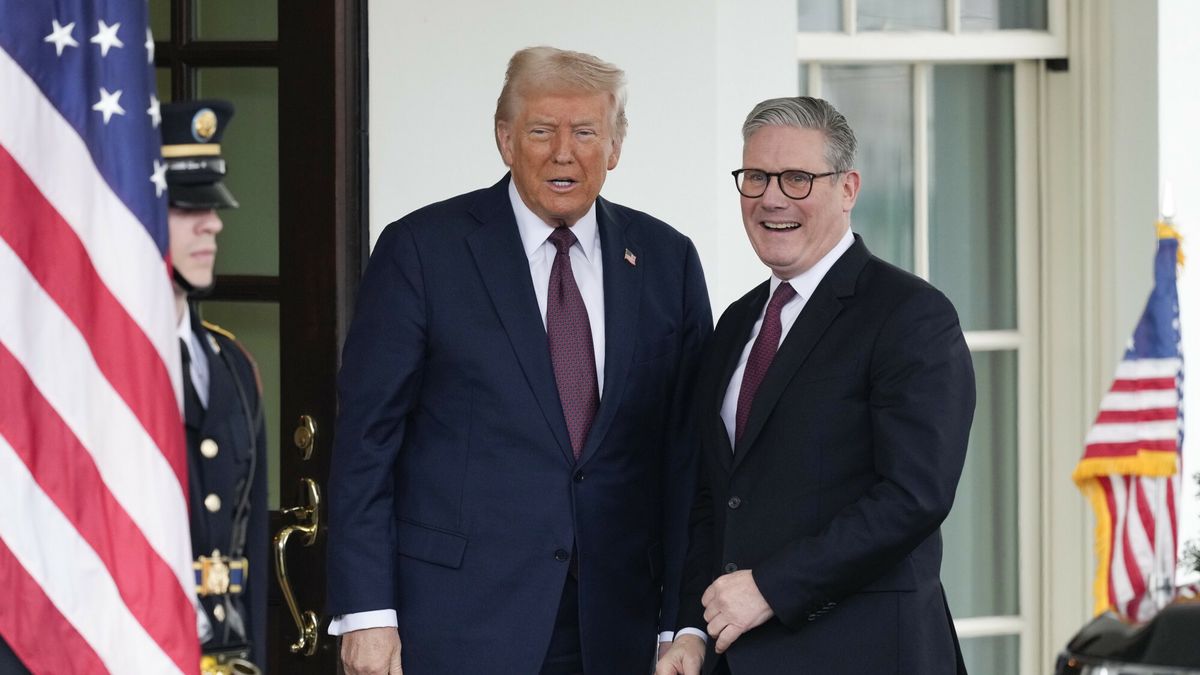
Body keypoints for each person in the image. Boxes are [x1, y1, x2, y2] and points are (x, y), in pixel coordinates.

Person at [326, 46, 713, 675]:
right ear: (505, 139)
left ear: (614, 147)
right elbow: (367, 444)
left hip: (618, 627)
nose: (564, 152)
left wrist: (682, 622)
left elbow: (685, 460)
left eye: (586, 132)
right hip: (456, 622)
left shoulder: (668, 261)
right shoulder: (422, 251)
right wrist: (368, 614)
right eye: (541, 131)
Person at [655, 96, 976, 675]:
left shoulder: (910, 315)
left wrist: (772, 587)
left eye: (798, 178)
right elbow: (714, 496)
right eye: (755, 177)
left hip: (867, 654)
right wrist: (690, 629)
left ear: (848, 188)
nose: (771, 198)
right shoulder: (735, 324)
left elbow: (914, 495)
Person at [163, 99, 268, 674]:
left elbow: (247, 542)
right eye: (186, 207)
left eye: (213, 206)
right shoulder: (87, 374)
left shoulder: (230, 363)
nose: (213, 222)